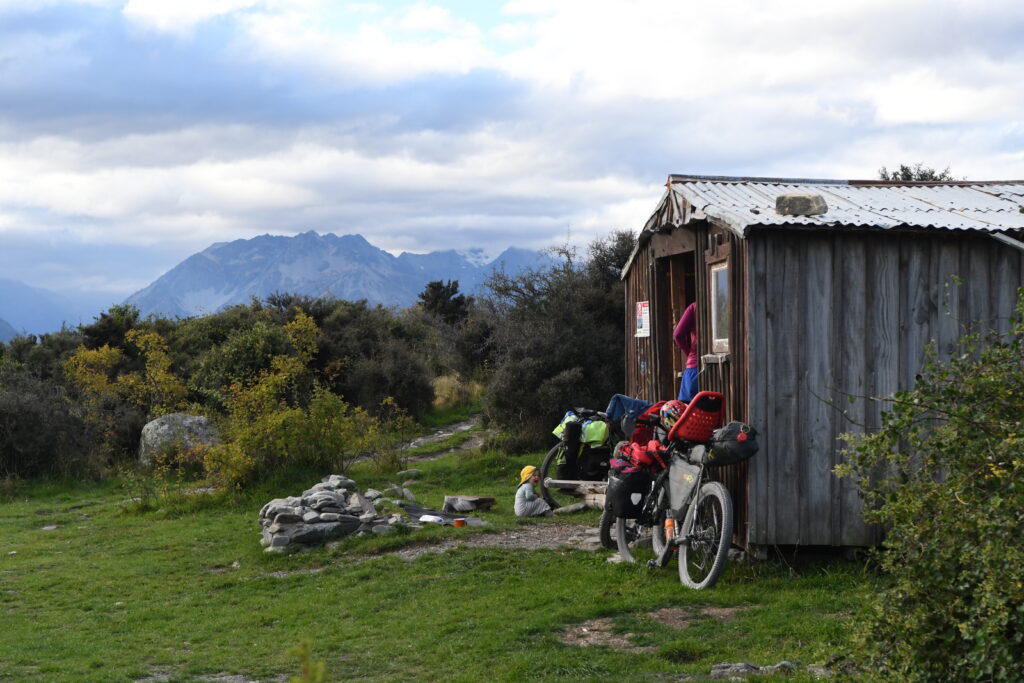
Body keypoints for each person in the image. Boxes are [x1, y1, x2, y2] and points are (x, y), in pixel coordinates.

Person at [673, 301, 699, 402]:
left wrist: (689, 354)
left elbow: (677, 335)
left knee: (686, 410)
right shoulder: (722, 303)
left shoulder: (694, 307)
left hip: (694, 369)